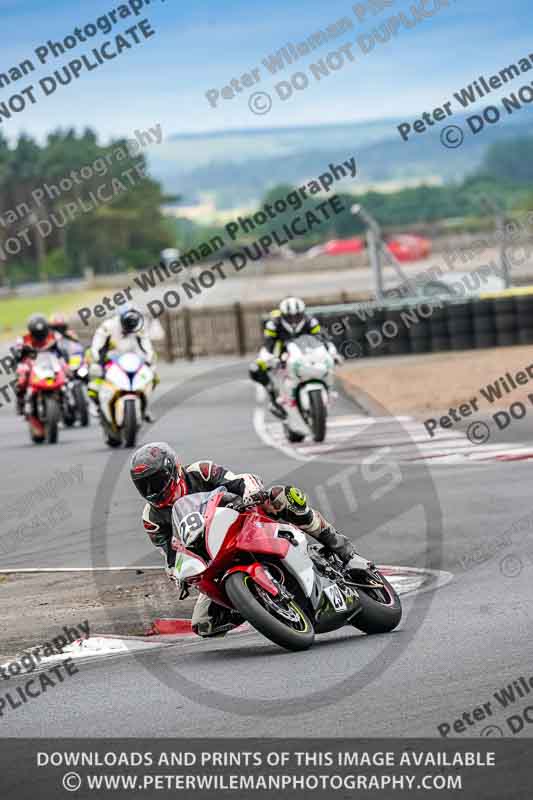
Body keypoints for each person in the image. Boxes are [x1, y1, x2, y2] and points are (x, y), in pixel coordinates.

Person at [130, 442, 364, 638]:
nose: (153, 489)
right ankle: (255, 603)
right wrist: (177, 573)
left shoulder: (201, 471)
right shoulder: (151, 517)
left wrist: (250, 494)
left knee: (281, 497)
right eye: (144, 485)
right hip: (212, 557)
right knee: (203, 624)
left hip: (242, 520)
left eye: (157, 480)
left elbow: (239, 481)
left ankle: (338, 544)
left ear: (174, 470)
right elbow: (170, 555)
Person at [249, 297, 341, 418]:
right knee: (256, 368)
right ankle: (274, 397)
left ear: (303, 314)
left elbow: (322, 339)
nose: (293, 320)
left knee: (329, 362)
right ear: (282, 315)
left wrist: (332, 353)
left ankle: (329, 390)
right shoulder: (273, 324)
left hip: (306, 352)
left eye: (297, 316)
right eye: (289, 317)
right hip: (281, 352)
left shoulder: (310, 321)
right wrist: (270, 359)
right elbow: (268, 344)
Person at [88, 306, 157, 420]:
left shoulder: (139, 327)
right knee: (95, 373)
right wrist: (98, 359)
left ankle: (144, 406)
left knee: (153, 376)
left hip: (132, 361)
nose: (130, 327)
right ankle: (95, 404)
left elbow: (147, 346)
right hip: (110, 360)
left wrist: (149, 360)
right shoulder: (108, 326)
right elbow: (96, 345)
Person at [14, 314, 68, 415]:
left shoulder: (53, 336)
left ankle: (67, 396)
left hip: (49, 361)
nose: (40, 336)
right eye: (36, 333)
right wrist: (21, 352)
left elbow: (62, 351)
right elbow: (17, 354)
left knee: (67, 371)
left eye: (42, 333)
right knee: (21, 378)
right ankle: (20, 401)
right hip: (30, 362)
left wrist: (64, 359)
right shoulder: (23, 339)